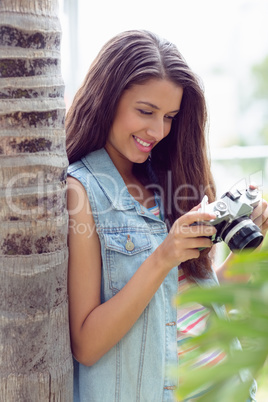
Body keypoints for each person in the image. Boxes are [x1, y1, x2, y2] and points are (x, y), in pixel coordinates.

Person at [65, 30, 268, 402]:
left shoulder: (166, 176)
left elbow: (191, 298)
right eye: (145, 112)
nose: (157, 131)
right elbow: (86, 344)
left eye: (170, 117)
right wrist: (164, 256)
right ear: (107, 99)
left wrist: (245, 252)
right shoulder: (82, 191)